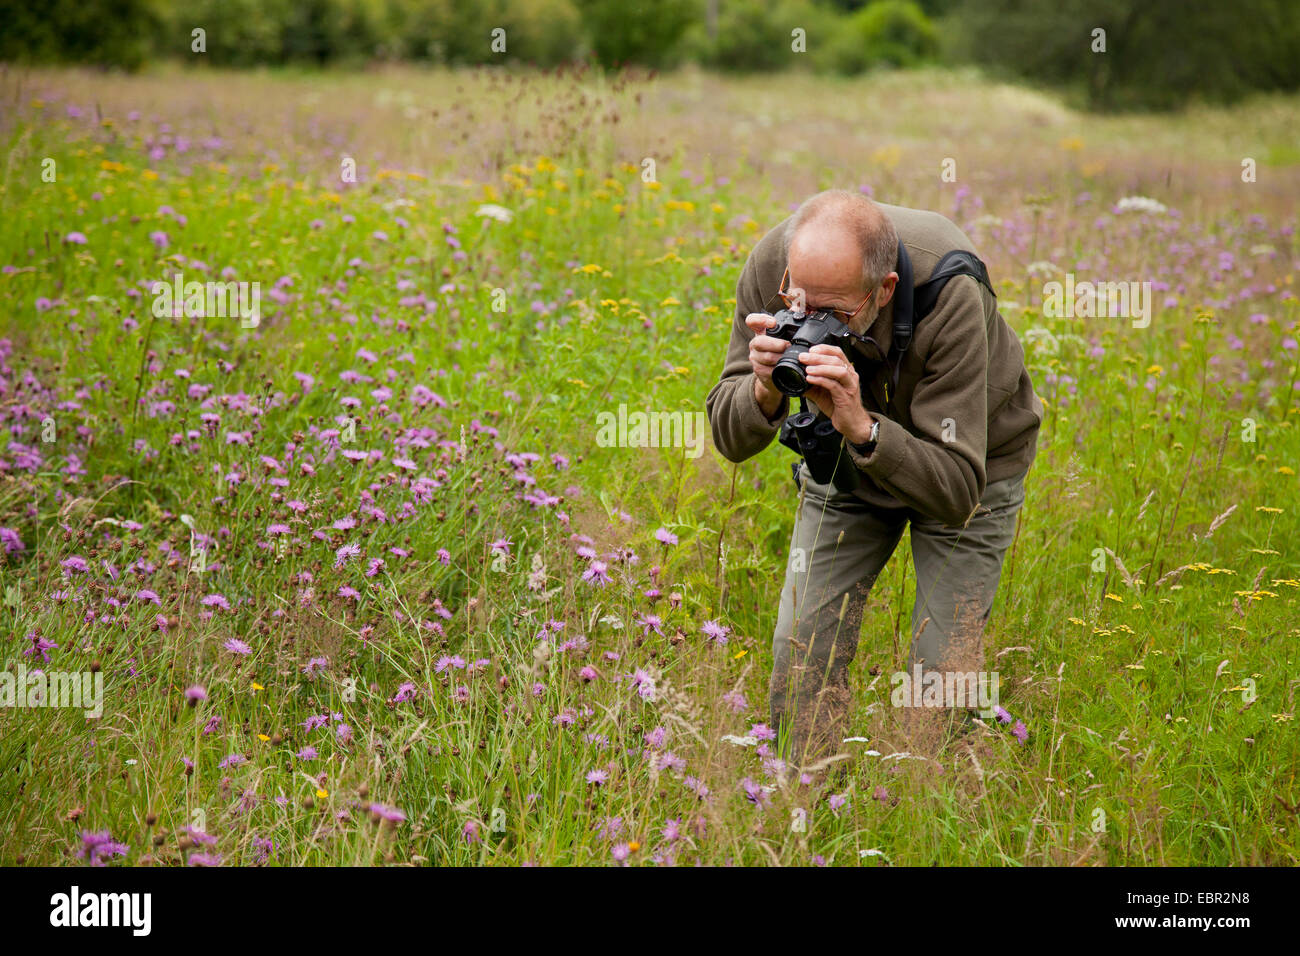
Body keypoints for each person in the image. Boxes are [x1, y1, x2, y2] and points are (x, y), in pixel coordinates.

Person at [705, 189, 1044, 763]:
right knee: (801, 648)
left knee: (938, 678)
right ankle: (803, 802)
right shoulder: (772, 266)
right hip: (844, 466)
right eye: (800, 305)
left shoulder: (949, 289)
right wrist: (762, 390)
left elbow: (957, 491)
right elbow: (730, 440)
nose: (812, 323)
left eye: (835, 315)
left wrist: (863, 426)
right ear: (787, 273)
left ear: (884, 289)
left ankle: (924, 801)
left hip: (969, 471)